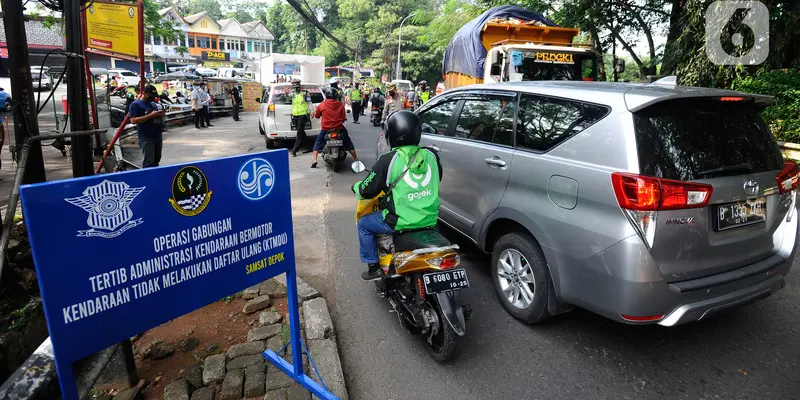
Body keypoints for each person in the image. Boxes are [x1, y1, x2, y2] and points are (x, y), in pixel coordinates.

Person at [352, 111, 442, 280]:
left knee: (364, 224)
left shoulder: (389, 159)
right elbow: (438, 179)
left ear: (391, 135)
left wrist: (355, 187)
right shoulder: (432, 155)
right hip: (430, 220)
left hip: (399, 221)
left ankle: (374, 268)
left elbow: (366, 190)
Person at [310, 87, 358, 168]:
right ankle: (356, 159)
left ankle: (314, 160)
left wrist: (314, 114)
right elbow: (343, 117)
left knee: (318, 143)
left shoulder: (322, 105)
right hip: (339, 128)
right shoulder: (340, 105)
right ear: (336, 96)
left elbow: (317, 116)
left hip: (326, 129)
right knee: (348, 142)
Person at [129, 85, 166, 168]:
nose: (152, 98)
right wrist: (150, 116)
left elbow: (155, 116)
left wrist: (160, 114)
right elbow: (133, 120)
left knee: (157, 159)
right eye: (150, 96)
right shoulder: (136, 104)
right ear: (145, 93)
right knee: (149, 161)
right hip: (146, 136)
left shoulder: (153, 104)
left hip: (157, 134)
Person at [290, 79, 312, 157]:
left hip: (303, 115)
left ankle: (294, 150)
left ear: (300, 86)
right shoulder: (292, 94)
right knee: (301, 132)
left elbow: (309, 103)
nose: (296, 87)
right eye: (294, 86)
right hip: (295, 115)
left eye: (297, 85)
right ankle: (309, 147)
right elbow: (286, 99)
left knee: (299, 132)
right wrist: (285, 94)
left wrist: (311, 112)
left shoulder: (305, 93)